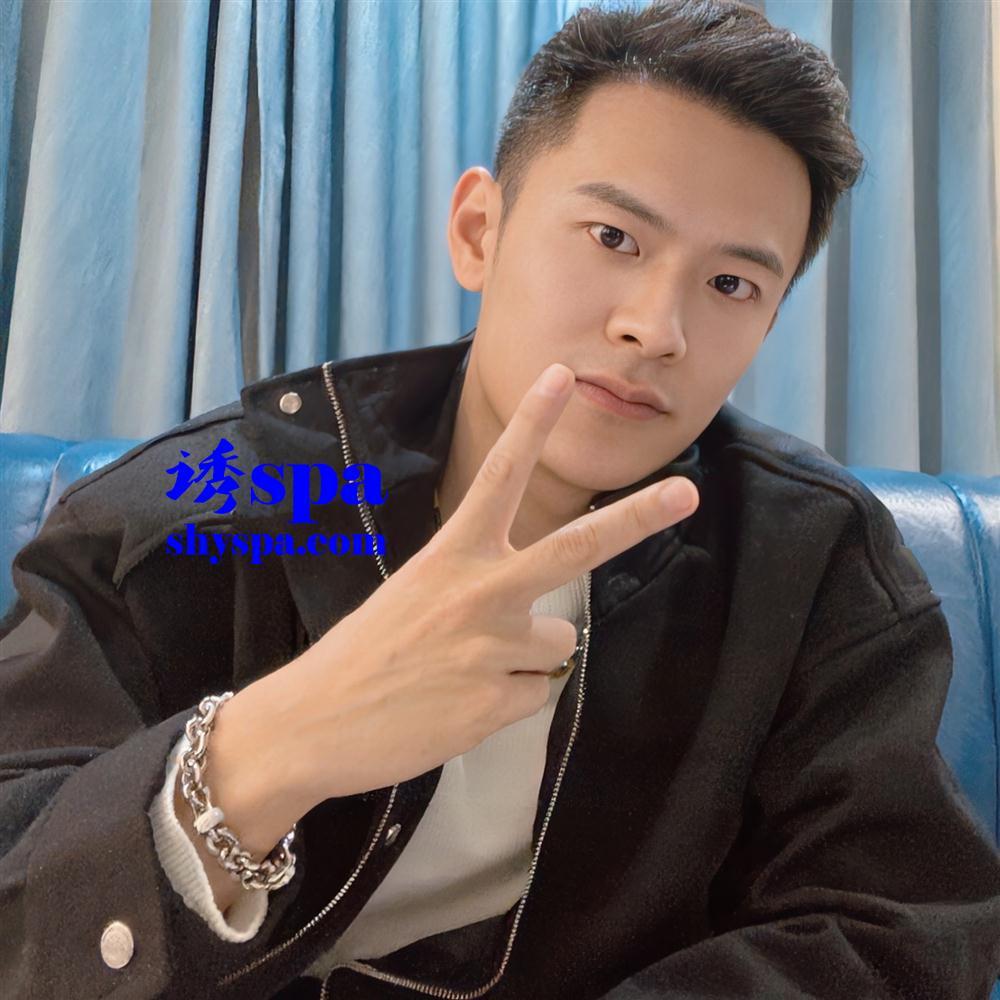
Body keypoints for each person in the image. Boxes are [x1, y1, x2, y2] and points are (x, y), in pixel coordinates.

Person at [2, 1, 999, 997]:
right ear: (479, 231)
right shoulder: (223, 500)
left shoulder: (811, 560)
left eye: (732, 285)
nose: (657, 328)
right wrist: (275, 742)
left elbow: (899, 927)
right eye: (614, 235)